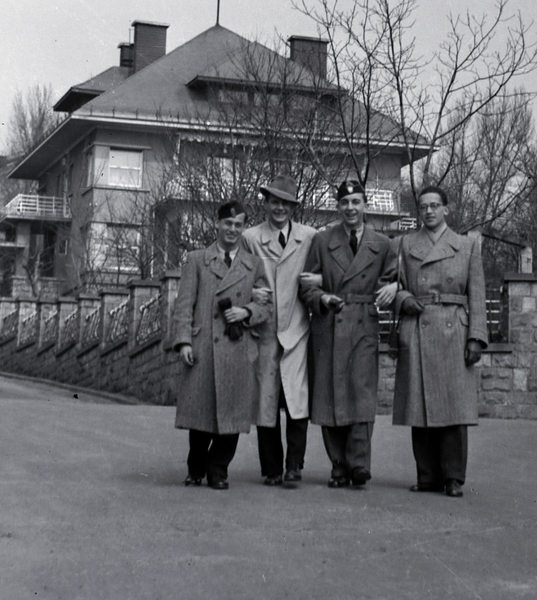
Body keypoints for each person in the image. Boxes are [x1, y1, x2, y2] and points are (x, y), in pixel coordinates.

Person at [386, 184, 487, 497]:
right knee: (420, 405)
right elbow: (387, 284)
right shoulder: (402, 244)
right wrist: (403, 299)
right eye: (423, 206)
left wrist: (476, 338)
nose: (428, 211)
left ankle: (453, 477)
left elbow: (478, 296)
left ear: (446, 209)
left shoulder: (466, 246)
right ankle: (427, 475)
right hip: (417, 327)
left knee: (454, 408)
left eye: (434, 205)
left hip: (454, 330)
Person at [167, 200, 273, 490]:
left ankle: (218, 471)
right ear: (217, 224)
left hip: (238, 347)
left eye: (238, 225)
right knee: (201, 413)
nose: (232, 229)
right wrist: (184, 342)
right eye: (227, 223)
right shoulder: (197, 259)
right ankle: (195, 468)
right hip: (204, 347)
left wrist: (247, 312)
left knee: (232, 414)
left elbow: (267, 307)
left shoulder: (253, 264)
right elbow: (184, 304)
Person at [300, 178, 396, 490]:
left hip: (364, 324)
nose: (350, 209)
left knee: (361, 392)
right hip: (330, 323)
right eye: (344, 203)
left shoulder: (382, 243)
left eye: (356, 202)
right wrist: (321, 299)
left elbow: (395, 279)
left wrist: (394, 286)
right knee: (329, 394)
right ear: (338, 206)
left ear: (365, 205)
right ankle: (338, 467)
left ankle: (359, 465)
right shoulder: (322, 240)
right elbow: (306, 285)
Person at [241, 179, 318, 487]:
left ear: (294, 207)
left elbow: (320, 272)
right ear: (266, 203)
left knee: (297, 400)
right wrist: (251, 297)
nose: (280, 208)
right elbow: (243, 274)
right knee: (266, 400)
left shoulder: (310, 237)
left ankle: (294, 465)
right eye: (274, 201)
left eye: (286, 203)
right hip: (265, 329)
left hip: (297, 327)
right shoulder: (251, 237)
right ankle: (272, 468)